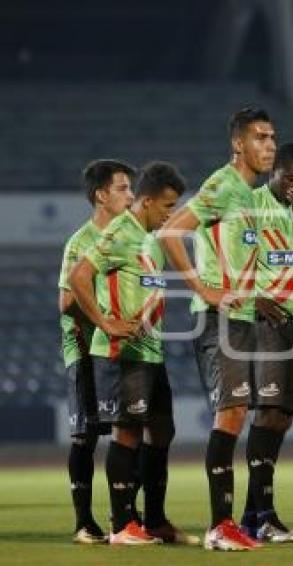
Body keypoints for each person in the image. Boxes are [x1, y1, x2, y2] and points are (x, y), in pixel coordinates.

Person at [158, 106, 276, 551]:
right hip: (219, 320)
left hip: (243, 319)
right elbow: (171, 232)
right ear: (238, 144)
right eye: (260, 137)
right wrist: (204, 291)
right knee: (229, 413)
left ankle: (227, 525)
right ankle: (219, 527)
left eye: (272, 138)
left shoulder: (250, 196)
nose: (269, 146)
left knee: (237, 414)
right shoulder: (223, 185)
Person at [69, 161, 194, 545]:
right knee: (127, 433)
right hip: (121, 353)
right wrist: (106, 324)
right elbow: (78, 277)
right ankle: (123, 525)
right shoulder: (121, 231)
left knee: (162, 431)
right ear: (145, 201)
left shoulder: (151, 239)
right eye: (166, 207)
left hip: (150, 353)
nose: (170, 214)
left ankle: (154, 519)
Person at [239, 142, 293, 543]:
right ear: (273, 172)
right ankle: (264, 515)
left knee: (283, 417)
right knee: (269, 413)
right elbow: (230, 259)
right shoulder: (251, 205)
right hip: (265, 321)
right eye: (290, 178)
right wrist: (253, 296)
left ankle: (252, 515)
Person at [58, 159, 135, 543]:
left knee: (127, 432)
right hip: (87, 350)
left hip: (122, 351)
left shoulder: (131, 237)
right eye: (123, 188)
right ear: (101, 195)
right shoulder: (81, 242)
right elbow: (65, 302)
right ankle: (83, 522)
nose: (131, 195)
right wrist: (105, 314)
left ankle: (124, 515)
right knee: (85, 437)